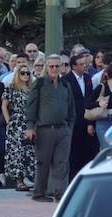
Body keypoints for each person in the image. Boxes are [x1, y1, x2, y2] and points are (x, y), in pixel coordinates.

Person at [25, 54, 75, 203]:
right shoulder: (39, 83)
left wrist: (69, 128)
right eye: (51, 66)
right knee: (43, 163)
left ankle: (61, 194)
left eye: (57, 66)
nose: (54, 69)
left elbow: (71, 109)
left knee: (61, 164)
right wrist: (30, 127)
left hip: (62, 130)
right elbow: (31, 106)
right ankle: (39, 193)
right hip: (44, 129)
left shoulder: (65, 84)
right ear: (47, 67)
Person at [2, 61, 37, 193]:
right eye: (22, 73)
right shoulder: (11, 88)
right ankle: (19, 181)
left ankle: (30, 178)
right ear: (18, 74)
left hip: (30, 122)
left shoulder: (33, 89)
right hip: (16, 123)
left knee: (30, 151)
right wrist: (8, 121)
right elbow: (4, 105)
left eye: (28, 73)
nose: (25, 75)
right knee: (17, 152)